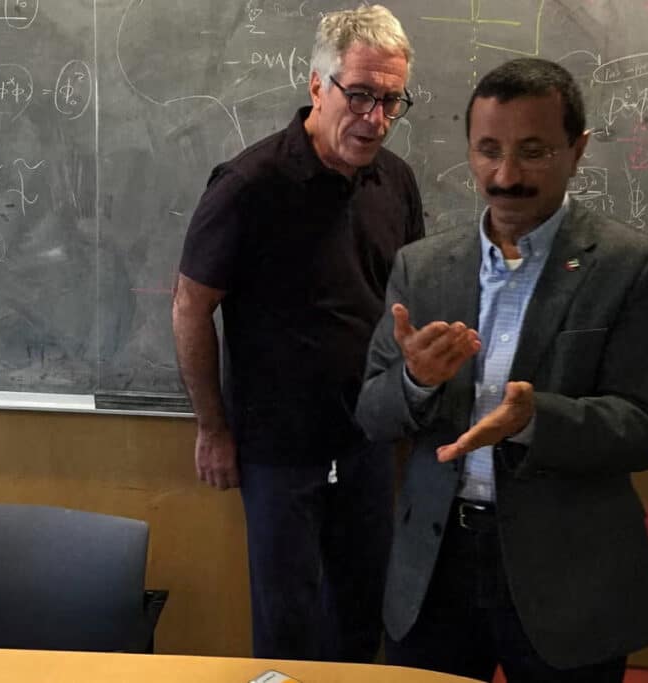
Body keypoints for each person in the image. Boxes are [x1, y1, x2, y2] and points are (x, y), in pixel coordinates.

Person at [355, 57, 648, 682]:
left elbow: (642, 430)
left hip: (569, 577)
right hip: (435, 569)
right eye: (489, 151)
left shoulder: (632, 266)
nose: (505, 176)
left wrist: (535, 419)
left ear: (577, 150)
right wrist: (416, 381)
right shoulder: (422, 267)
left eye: (533, 152)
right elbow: (371, 413)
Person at [171, 5, 424, 663]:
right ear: (317, 84)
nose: (375, 118)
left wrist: (407, 416)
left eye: (391, 101)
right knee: (287, 630)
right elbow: (190, 307)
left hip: (368, 442)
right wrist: (212, 428)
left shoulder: (395, 181)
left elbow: (406, 305)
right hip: (277, 450)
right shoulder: (248, 185)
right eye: (360, 95)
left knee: (363, 619)